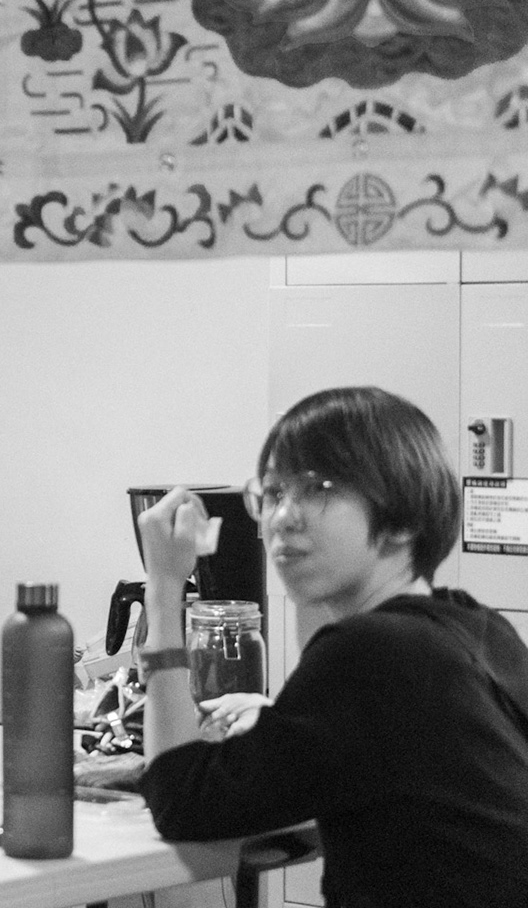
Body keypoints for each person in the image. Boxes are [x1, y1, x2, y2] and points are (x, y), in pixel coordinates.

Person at [135, 386, 528, 906]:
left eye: (319, 489)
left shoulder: (371, 651)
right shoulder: (478, 627)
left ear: (403, 520)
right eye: (273, 493)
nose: (283, 517)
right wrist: (278, 720)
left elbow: (182, 803)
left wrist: (164, 587)